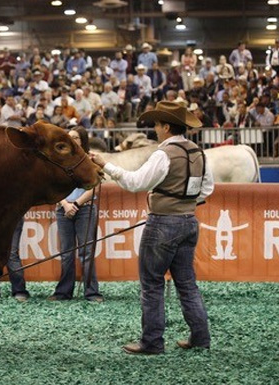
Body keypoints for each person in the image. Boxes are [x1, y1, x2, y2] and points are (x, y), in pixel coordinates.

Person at [90, 101, 214, 355]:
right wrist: (184, 202)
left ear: (167, 127)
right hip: (189, 222)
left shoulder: (163, 154)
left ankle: (152, 342)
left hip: (162, 223)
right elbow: (207, 189)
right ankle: (200, 337)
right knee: (187, 284)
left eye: (157, 125)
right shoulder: (198, 153)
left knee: (152, 284)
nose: (155, 129)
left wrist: (105, 165)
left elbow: (135, 183)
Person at [48, 127, 103, 303]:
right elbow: (55, 186)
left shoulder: (91, 159)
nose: (72, 140)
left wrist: (76, 204)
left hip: (85, 208)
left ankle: (92, 292)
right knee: (66, 252)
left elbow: (95, 186)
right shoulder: (60, 161)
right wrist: (65, 204)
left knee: (86, 252)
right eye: (69, 137)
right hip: (63, 207)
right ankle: (64, 292)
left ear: (83, 140)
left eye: (76, 137)